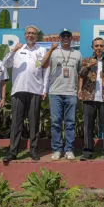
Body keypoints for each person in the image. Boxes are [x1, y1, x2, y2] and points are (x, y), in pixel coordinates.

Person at [2, 26, 48, 163]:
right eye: (28, 33)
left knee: (34, 122)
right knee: (16, 123)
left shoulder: (42, 50)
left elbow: (45, 70)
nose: (31, 35)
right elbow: (5, 63)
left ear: (37, 36)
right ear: (24, 35)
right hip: (18, 90)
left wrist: (44, 89)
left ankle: (34, 151)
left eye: (33, 33)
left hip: (35, 90)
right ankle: (13, 151)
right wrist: (13, 50)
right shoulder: (17, 50)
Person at [42, 28, 82, 161]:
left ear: (71, 39)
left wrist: (79, 89)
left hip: (71, 92)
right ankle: (57, 149)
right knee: (56, 123)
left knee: (70, 123)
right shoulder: (53, 52)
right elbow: (43, 64)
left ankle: (69, 149)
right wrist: (51, 50)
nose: (65, 38)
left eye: (68, 36)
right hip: (55, 92)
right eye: (63, 36)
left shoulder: (77, 54)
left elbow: (80, 74)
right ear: (59, 38)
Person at [78, 37, 104, 161]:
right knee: (88, 125)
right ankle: (88, 152)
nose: (99, 48)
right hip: (89, 96)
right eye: (96, 46)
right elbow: (81, 74)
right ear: (92, 47)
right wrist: (89, 66)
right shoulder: (86, 60)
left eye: (101, 46)